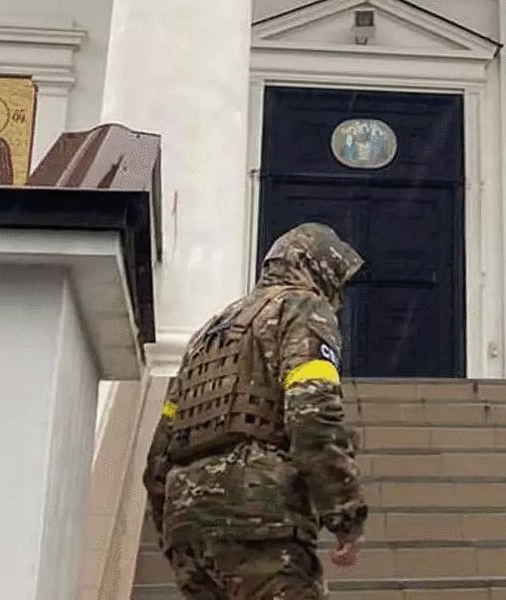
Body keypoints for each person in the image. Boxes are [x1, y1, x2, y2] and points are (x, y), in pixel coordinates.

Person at [143, 222, 368, 599]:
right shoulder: (302, 307)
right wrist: (344, 512)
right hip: (258, 513)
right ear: (319, 269)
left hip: (187, 524)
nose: (340, 298)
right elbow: (312, 412)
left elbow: (159, 454)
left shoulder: (208, 333)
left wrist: (173, 531)